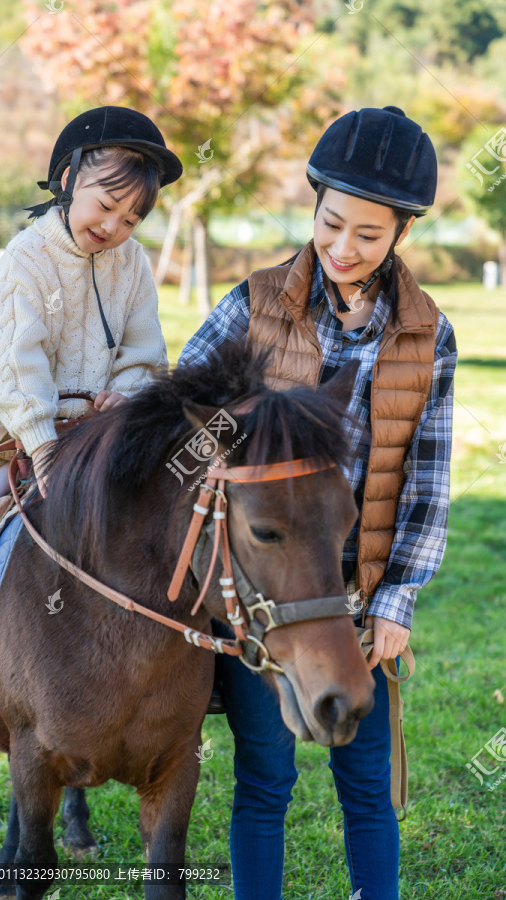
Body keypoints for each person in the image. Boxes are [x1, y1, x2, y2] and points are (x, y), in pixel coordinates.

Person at [178, 106, 457, 900]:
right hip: (267, 598)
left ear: (402, 232)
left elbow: (428, 482)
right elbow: (182, 432)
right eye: (331, 223)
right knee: (264, 782)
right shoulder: (254, 304)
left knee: (367, 788)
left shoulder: (427, 334)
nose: (343, 248)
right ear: (314, 205)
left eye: (368, 236)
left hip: (358, 595)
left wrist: (397, 597)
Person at [0, 106, 183, 723]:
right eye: (105, 205)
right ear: (65, 180)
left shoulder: (133, 265)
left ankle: (182, 655)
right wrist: (44, 441)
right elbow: (16, 367)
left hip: (107, 428)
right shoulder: (25, 261)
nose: (114, 225)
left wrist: (130, 393)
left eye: (133, 217)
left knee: (175, 504)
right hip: (20, 424)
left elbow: (145, 351)